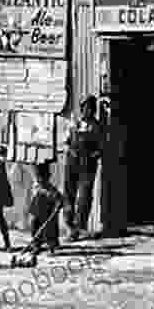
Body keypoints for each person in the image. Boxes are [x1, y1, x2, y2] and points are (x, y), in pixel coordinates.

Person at [63, 95, 103, 242]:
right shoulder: (75, 124)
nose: (88, 111)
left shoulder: (97, 126)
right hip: (72, 162)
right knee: (69, 194)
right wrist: (69, 149)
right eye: (85, 107)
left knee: (85, 195)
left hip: (88, 164)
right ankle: (70, 227)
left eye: (91, 108)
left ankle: (80, 227)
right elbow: (66, 142)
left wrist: (95, 154)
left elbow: (101, 146)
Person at [29, 161, 63, 255]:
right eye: (37, 177)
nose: (39, 179)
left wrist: (59, 203)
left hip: (47, 213)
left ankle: (52, 246)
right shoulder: (36, 187)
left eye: (41, 177)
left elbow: (59, 198)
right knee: (34, 226)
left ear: (47, 177)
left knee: (50, 229)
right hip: (37, 211)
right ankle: (36, 245)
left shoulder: (50, 188)